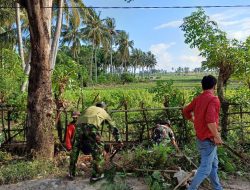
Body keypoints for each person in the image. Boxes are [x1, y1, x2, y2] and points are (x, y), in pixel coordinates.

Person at [183, 75, 223, 190]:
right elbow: (210, 121)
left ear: (203, 86)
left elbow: (186, 110)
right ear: (214, 86)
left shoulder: (198, 99)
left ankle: (218, 188)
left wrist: (193, 120)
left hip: (201, 138)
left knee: (214, 165)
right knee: (205, 169)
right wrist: (217, 137)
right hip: (208, 140)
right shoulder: (213, 99)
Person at [69, 102, 123, 182]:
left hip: (79, 126)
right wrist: (119, 140)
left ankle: (71, 173)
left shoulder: (89, 108)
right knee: (98, 149)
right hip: (91, 127)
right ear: (103, 107)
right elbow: (113, 127)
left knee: (75, 148)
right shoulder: (103, 112)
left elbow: (81, 117)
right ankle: (97, 175)